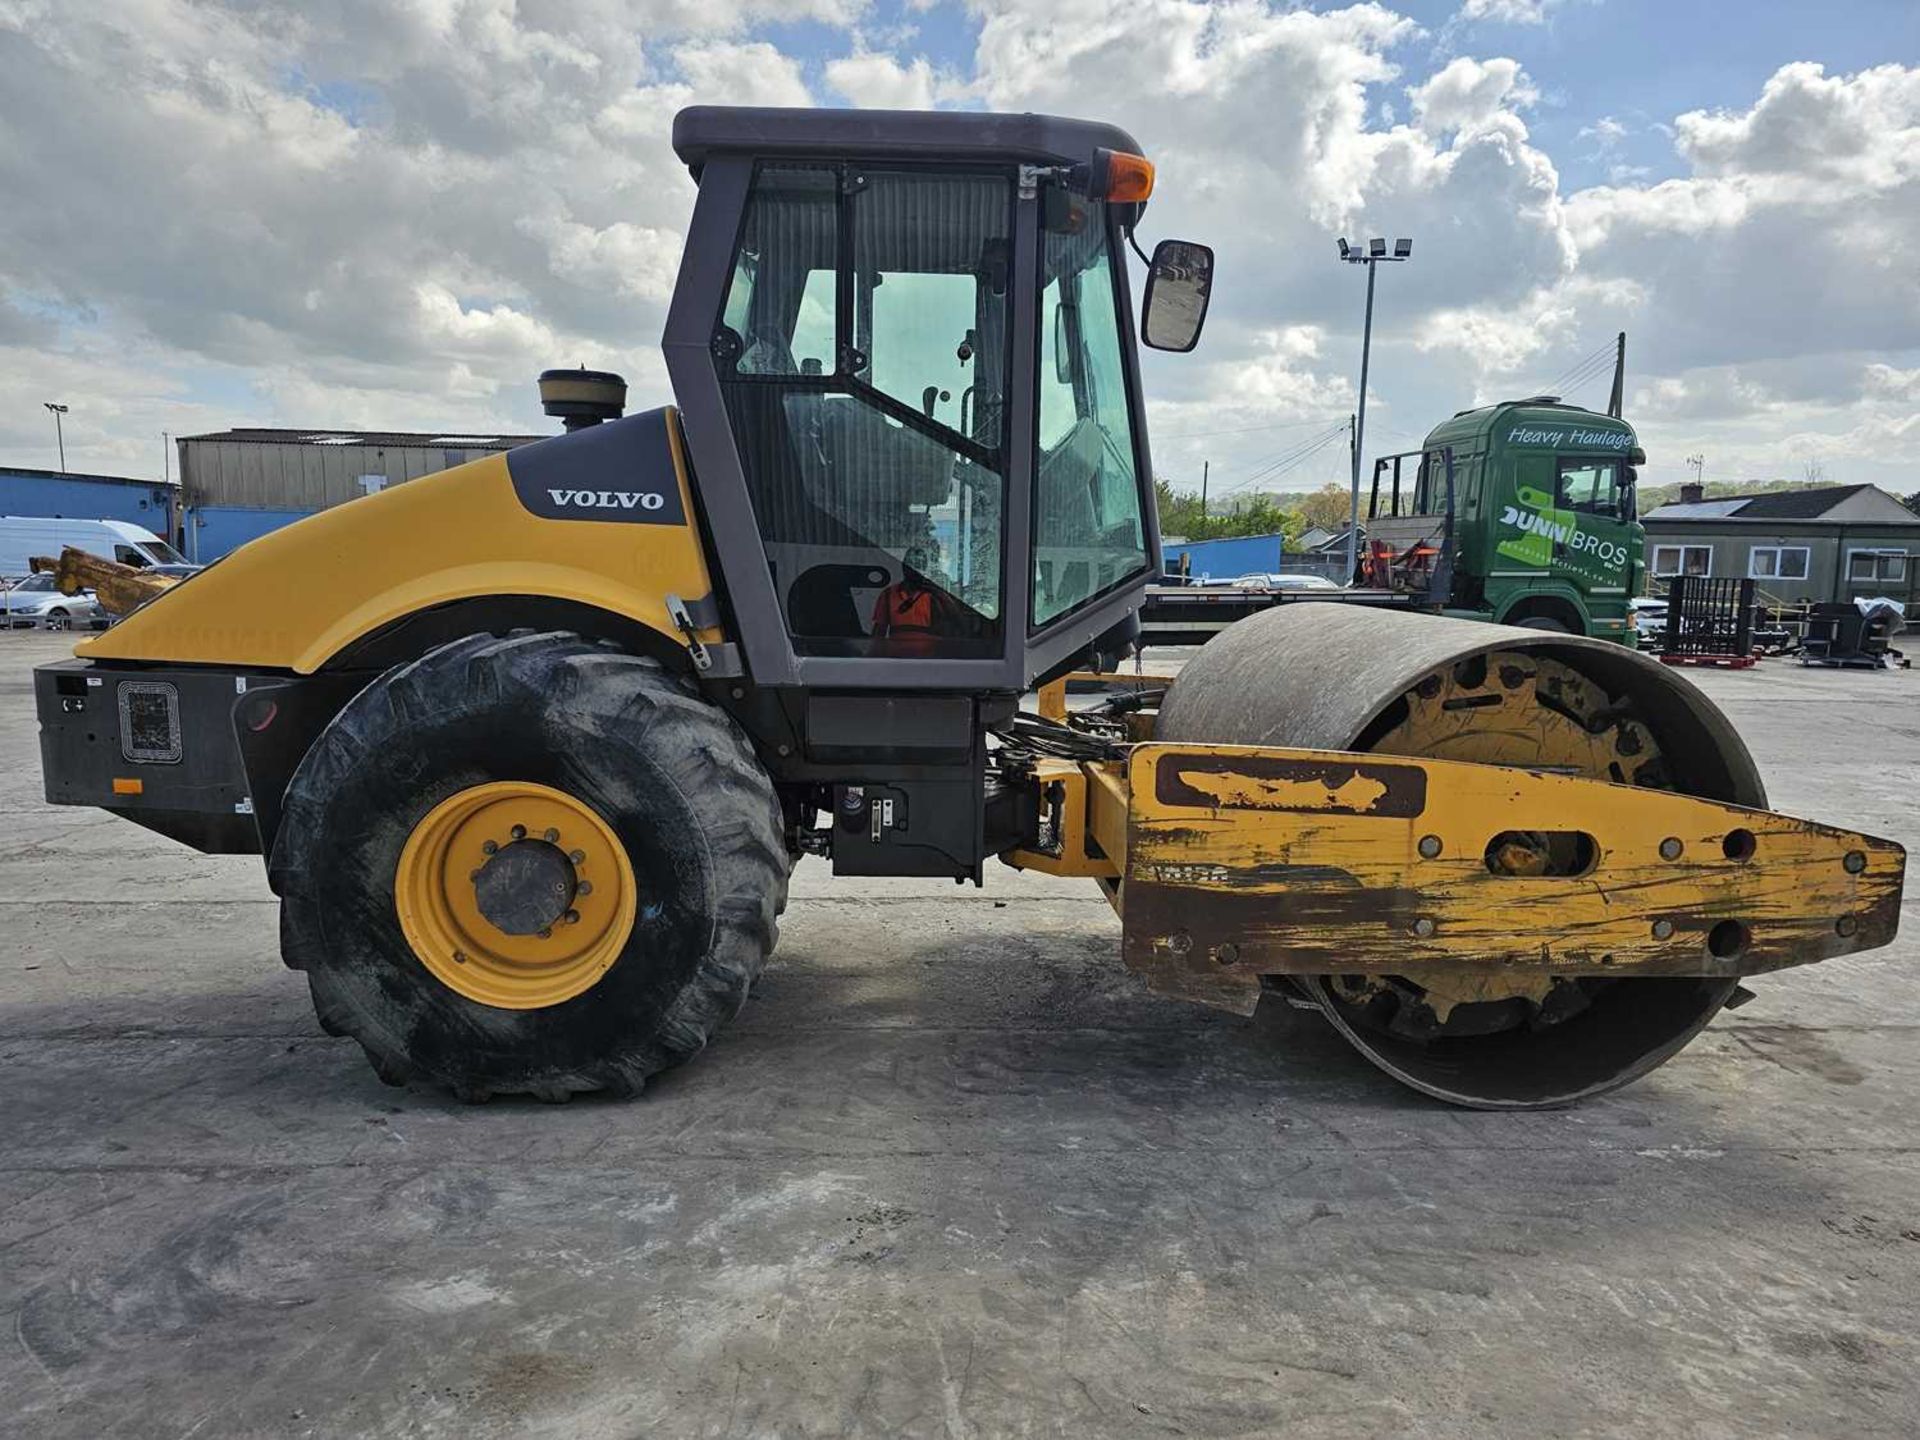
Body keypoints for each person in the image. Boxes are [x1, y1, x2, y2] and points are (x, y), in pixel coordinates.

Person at [870, 546, 960, 653]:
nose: (915, 570)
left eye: (919, 565)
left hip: (930, 659)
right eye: (911, 565)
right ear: (903, 566)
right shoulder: (888, 594)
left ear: (925, 568)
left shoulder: (934, 595)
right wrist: (872, 657)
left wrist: (938, 592)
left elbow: (956, 622)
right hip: (896, 659)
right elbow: (879, 632)